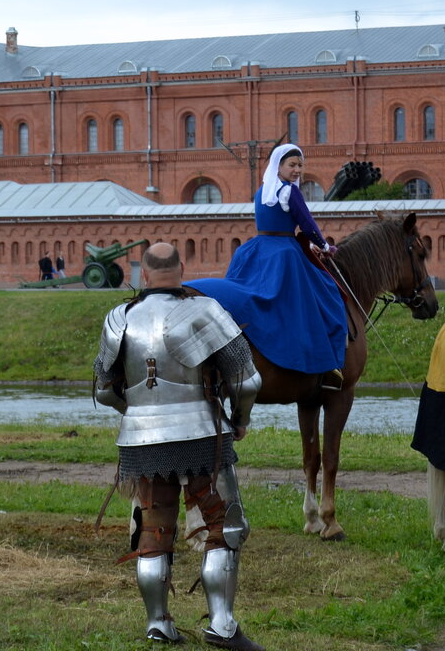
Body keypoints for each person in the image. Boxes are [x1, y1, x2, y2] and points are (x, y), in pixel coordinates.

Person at [94, 242, 263, 650]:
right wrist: (238, 421)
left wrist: (140, 417)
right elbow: (247, 382)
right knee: (225, 528)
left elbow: (104, 391)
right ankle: (221, 624)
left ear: (144, 274)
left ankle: (158, 624)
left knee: (153, 530)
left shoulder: (120, 318)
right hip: (204, 433)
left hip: (142, 440)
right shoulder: (205, 311)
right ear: (182, 269)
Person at [188, 143, 346, 390]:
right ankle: (326, 364)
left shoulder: (263, 190)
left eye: (300, 165)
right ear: (279, 166)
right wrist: (326, 248)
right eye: (291, 165)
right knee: (325, 292)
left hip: (256, 251)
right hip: (284, 254)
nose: (296, 170)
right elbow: (307, 224)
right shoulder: (290, 192)